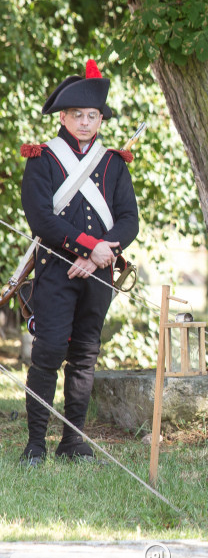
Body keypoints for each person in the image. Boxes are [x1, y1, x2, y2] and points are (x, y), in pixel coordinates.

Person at [19, 59, 139, 466]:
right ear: (64, 117)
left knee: (85, 354)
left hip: (99, 274)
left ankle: (73, 442)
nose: (86, 123)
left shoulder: (113, 163)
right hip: (55, 269)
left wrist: (98, 255)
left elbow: (128, 220)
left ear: (100, 119)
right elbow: (41, 220)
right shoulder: (41, 159)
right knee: (49, 351)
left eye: (93, 116)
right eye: (78, 116)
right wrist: (88, 247)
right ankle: (35, 444)